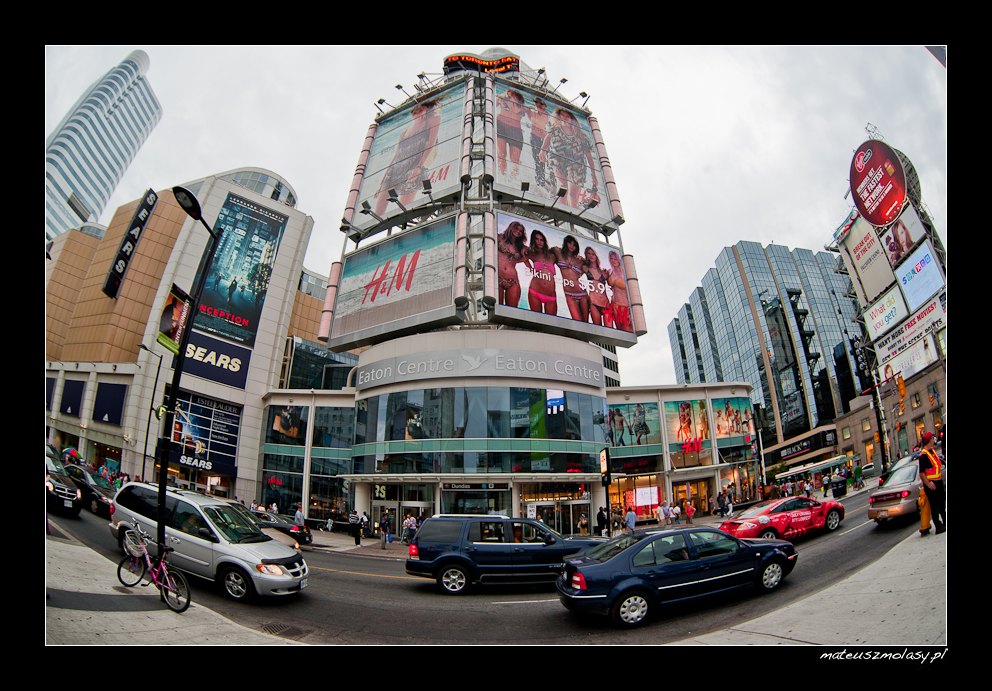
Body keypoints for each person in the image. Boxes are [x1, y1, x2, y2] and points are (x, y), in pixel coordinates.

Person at [373, 98, 442, 216]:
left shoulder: (433, 121)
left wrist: (419, 167)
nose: (419, 114)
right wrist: (381, 184)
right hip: (394, 170)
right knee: (376, 214)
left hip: (413, 167)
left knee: (405, 212)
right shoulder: (404, 132)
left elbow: (429, 145)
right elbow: (395, 156)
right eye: (416, 112)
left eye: (422, 110)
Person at [539, 107, 599, 210]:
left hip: (577, 164)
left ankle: (572, 217)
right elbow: (548, 138)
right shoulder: (555, 128)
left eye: (567, 116)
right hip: (557, 160)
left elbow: (589, 156)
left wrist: (594, 174)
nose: (564, 118)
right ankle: (561, 211)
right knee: (563, 187)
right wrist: (543, 150)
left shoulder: (581, 136)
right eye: (561, 116)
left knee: (572, 195)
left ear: (572, 119)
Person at [551, 235, 590, 322]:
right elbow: (546, 251)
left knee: (586, 324)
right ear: (566, 243)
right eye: (570, 243)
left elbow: (590, 270)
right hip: (569, 294)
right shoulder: (558, 252)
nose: (572, 246)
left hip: (582, 293)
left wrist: (584, 260)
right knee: (577, 322)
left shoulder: (579, 260)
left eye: (574, 245)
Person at [525, 229, 559, 315]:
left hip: (551, 295)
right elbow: (522, 256)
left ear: (544, 241)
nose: (539, 242)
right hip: (534, 292)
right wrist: (529, 267)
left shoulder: (552, 256)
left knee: (551, 324)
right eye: (536, 239)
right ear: (533, 241)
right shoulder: (532, 253)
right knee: (537, 325)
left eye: (541, 240)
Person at [917, 432, 945, 534]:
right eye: (932, 438)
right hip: (931, 485)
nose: (934, 440)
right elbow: (921, 473)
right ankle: (938, 526)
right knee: (935, 506)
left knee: (942, 504)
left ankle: (945, 522)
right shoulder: (923, 455)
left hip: (938, 482)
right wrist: (929, 484)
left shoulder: (932, 451)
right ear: (929, 441)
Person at [496, 89, 527, 177]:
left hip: (515, 131)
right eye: (508, 94)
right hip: (500, 125)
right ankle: (502, 176)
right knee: (501, 154)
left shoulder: (523, 106)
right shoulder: (502, 98)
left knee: (515, 160)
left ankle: (514, 180)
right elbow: (490, 105)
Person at [497, 220, 528, 308]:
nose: (518, 232)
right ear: (511, 227)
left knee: (512, 312)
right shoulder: (499, 238)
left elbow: (530, 256)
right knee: (497, 309)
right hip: (497, 278)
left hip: (513, 281)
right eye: (516, 228)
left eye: (521, 231)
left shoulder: (521, 247)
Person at [583, 246, 613, 327]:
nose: (591, 256)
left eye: (593, 254)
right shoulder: (585, 268)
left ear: (596, 255)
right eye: (588, 254)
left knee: (610, 331)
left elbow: (611, 285)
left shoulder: (603, 272)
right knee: (598, 330)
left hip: (606, 303)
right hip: (594, 303)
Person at [604, 251, 632, 332]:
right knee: (621, 331)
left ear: (618, 259)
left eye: (615, 258)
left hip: (626, 306)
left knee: (627, 331)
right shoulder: (610, 272)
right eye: (611, 259)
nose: (613, 260)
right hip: (615, 305)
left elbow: (630, 289)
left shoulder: (625, 272)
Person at [528, 98, 552, 188]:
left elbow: (550, 129)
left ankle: (544, 178)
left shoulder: (547, 116)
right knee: (537, 159)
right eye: (537, 104)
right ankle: (540, 178)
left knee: (544, 160)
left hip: (544, 140)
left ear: (544, 106)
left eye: (540, 105)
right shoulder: (533, 111)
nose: (538, 106)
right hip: (534, 137)